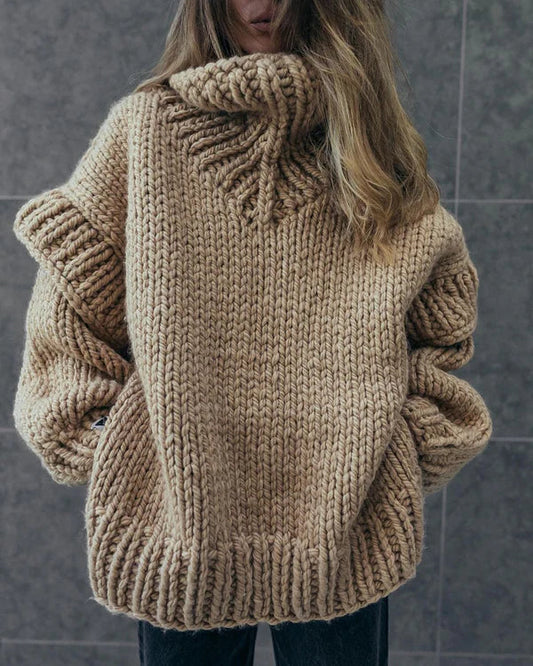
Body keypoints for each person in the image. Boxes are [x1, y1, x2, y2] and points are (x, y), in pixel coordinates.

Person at [11, 0, 493, 664]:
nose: (261, 5)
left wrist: (394, 451)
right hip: (180, 532)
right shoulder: (143, 133)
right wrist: (125, 453)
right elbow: (65, 324)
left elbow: (440, 334)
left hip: (343, 534)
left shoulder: (372, 152)